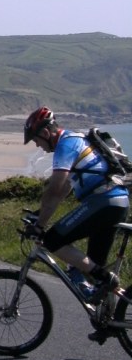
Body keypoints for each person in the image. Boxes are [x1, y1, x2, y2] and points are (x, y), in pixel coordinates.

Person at [23, 106, 129, 344]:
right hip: (112, 201)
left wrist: (40, 226)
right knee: (92, 269)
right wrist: (40, 215)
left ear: (46, 133)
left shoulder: (65, 144)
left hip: (105, 200)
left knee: (52, 240)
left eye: (36, 140)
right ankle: (109, 322)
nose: (37, 146)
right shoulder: (74, 142)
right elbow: (63, 191)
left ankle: (105, 278)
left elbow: (53, 189)